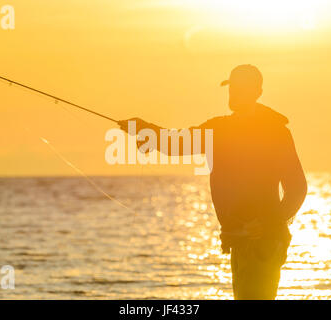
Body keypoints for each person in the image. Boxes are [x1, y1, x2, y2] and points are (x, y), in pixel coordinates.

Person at [118, 65, 307, 300]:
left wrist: (268, 222)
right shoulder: (220, 130)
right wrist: (145, 131)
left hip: (264, 243)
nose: (235, 93)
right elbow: (177, 143)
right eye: (233, 88)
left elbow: (297, 187)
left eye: (241, 88)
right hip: (239, 239)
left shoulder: (275, 132)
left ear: (257, 92)